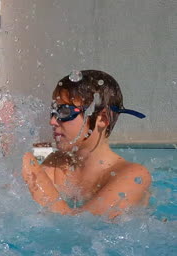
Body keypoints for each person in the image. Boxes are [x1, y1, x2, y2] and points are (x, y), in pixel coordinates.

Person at [21, 70, 151, 219]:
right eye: (53, 111)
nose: (53, 121)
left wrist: (25, 160)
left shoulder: (134, 176)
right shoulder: (57, 163)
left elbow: (77, 226)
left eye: (64, 111)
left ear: (102, 118)